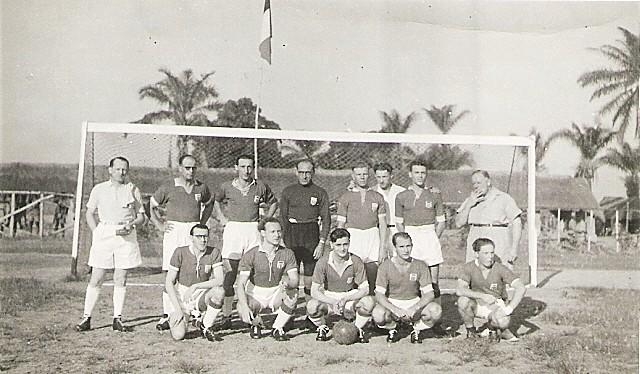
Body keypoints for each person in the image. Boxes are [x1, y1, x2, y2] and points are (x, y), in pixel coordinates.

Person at [75, 156, 146, 333]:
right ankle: (86, 317)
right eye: (118, 169)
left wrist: (132, 224)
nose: (122, 172)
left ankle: (117, 318)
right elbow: (89, 213)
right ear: (110, 170)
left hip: (126, 237)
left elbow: (141, 216)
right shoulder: (99, 189)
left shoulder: (133, 189)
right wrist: (97, 232)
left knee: (120, 278)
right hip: (105, 235)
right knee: (97, 277)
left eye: (125, 169)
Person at [151, 154, 215, 331]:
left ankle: (195, 311)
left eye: (194, 168)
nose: (191, 171)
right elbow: (152, 204)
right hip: (174, 231)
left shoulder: (201, 188)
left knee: (194, 268)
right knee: (171, 272)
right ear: (180, 168)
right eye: (187, 167)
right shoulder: (169, 186)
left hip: (193, 230)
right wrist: (159, 224)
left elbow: (210, 203)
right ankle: (167, 314)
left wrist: (202, 223)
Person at [215, 154, 278, 328]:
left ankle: (253, 313)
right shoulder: (226, 186)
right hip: (234, 229)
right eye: (242, 166)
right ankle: (226, 316)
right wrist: (221, 217)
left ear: (253, 168)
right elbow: (216, 200)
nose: (246, 170)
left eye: (249, 166)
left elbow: (273, 202)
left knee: (253, 272)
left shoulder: (260, 186)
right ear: (236, 167)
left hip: (253, 229)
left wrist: (265, 221)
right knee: (230, 273)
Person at [306, 228, 375, 343]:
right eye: (338, 245)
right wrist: (332, 301)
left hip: (349, 297)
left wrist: (346, 299)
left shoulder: (356, 260)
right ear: (332, 245)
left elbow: (365, 289)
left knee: (369, 302)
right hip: (330, 297)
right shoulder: (323, 262)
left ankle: (357, 329)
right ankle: (322, 327)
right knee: (312, 306)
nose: (342, 248)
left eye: (345, 244)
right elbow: (314, 291)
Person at [372, 232, 442, 344]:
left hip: (413, 301)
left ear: (412, 246)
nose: (406, 250)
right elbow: (379, 294)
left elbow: (429, 293)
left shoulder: (420, 265)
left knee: (436, 310)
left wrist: (415, 308)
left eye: (408, 246)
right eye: (401, 247)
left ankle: (417, 329)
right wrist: (395, 309)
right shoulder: (385, 266)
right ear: (395, 248)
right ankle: (393, 328)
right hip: (393, 302)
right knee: (378, 314)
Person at [235, 218, 298, 341]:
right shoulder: (251, 254)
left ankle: (277, 328)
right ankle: (256, 323)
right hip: (255, 293)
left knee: (293, 294)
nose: (277, 235)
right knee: (241, 309)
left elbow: (295, 280)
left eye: (279, 231)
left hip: (275, 291)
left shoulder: (287, 253)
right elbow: (240, 284)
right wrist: (244, 305)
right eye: (272, 232)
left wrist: (288, 284)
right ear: (263, 233)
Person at [456, 237, 526, 342]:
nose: (490, 257)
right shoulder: (468, 267)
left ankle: (492, 328)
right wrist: (482, 296)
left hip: (495, 304)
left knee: (503, 321)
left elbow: (521, 287)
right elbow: (460, 290)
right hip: (476, 303)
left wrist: (508, 309)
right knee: (463, 301)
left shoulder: (500, 268)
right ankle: (471, 331)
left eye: (492, 253)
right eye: (485, 253)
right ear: (476, 254)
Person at [280, 159, 331, 300]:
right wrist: (282, 240)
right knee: (292, 276)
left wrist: (321, 243)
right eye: (301, 172)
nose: (304, 176)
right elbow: (282, 218)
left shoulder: (320, 192)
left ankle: (310, 314)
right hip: (292, 233)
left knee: (310, 277)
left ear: (313, 173)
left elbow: (326, 218)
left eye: (308, 172)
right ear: (296, 172)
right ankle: (289, 314)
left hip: (311, 234)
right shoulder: (288, 191)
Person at [164, 224, 225, 341]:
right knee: (178, 335)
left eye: (205, 236)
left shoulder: (214, 252)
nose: (203, 240)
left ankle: (206, 325)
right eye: (199, 236)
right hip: (182, 297)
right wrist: (178, 309)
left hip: (200, 294)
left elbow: (219, 279)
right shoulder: (180, 252)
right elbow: (169, 282)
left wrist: (195, 286)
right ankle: (181, 317)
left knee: (219, 292)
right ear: (191, 238)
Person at [395, 159, 446, 299]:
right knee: (412, 278)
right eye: (416, 172)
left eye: (423, 173)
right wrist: (405, 240)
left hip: (429, 235)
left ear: (426, 174)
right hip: (411, 236)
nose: (420, 176)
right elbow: (399, 223)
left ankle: (436, 314)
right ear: (410, 174)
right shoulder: (401, 196)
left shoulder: (435, 194)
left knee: (433, 281)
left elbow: (441, 222)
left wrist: (433, 237)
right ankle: (412, 314)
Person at [336, 161, 388, 296]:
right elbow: (340, 225)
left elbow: (382, 224)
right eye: (359, 174)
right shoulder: (345, 197)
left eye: (365, 174)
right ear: (353, 176)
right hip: (353, 236)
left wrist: (383, 247)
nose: (362, 177)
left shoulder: (377, 196)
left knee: (373, 273)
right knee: (353, 273)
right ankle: (351, 307)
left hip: (372, 236)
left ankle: (371, 305)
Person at [455, 170, 522, 268]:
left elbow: (517, 223)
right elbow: (458, 223)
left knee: (500, 273)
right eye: (474, 183)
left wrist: (514, 249)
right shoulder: (470, 199)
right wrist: (469, 205)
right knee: (474, 274)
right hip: (475, 237)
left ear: (488, 182)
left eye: (479, 183)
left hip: (498, 238)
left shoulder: (504, 198)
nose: (476, 186)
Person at [372, 162, 406, 257]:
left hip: (397, 230)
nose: (381, 180)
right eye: (378, 177)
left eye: (384, 177)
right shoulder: (372, 192)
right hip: (379, 231)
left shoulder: (401, 191)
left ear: (391, 176)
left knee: (398, 261)